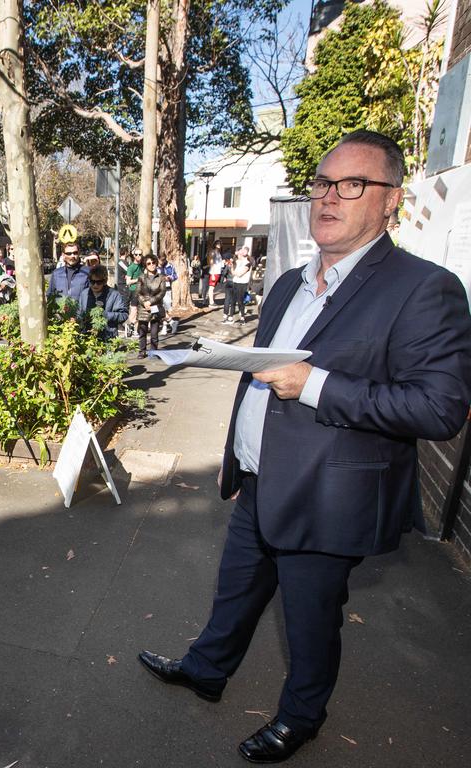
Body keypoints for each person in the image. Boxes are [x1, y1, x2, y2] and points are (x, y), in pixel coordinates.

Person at [137, 130, 471, 764]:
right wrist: (239, 455)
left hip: (329, 494)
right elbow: (259, 371)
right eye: (322, 183)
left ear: (390, 200)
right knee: (236, 591)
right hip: (263, 480)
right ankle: (207, 671)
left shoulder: (423, 288)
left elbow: (439, 407)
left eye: (352, 185)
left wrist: (316, 386)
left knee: (310, 618)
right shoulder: (290, 282)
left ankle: (302, 716)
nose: (329, 197)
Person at [78, 265, 128, 341]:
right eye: (92, 281)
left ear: (105, 281)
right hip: (87, 338)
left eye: (99, 282)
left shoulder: (114, 295)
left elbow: (124, 315)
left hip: (108, 338)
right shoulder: (84, 294)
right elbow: (79, 313)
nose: (95, 285)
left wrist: (107, 315)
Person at [135, 255, 165, 359]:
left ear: (156, 263)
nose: (151, 265)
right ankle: (142, 351)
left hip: (155, 306)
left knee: (154, 332)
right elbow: (138, 293)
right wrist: (144, 302)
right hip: (143, 308)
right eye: (149, 263)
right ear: (145, 265)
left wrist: (150, 302)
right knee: (142, 331)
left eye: (153, 263)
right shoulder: (141, 277)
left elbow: (162, 293)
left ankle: (154, 351)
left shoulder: (161, 278)